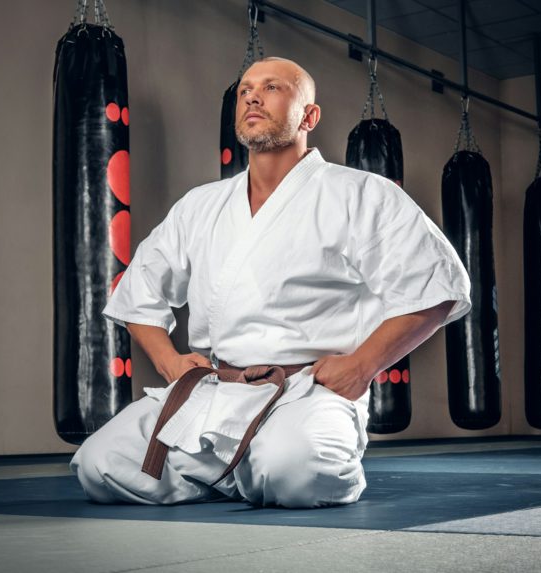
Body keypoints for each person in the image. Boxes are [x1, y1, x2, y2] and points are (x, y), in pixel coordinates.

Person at [70, 57, 471, 508]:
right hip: (215, 392)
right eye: (245, 90)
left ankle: (250, 468)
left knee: (298, 472)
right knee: (100, 465)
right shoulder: (200, 205)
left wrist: (362, 366)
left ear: (309, 116)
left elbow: (438, 287)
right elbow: (139, 292)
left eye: (273, 87)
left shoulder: (361, 194)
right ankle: (243, 472)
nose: (253, 96)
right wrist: (169, 362)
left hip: (306, 392)